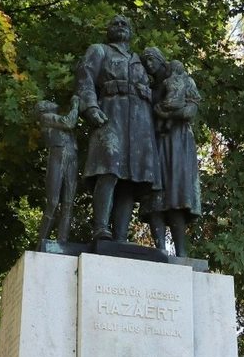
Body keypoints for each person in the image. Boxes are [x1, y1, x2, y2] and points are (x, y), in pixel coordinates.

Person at [75, 14, 160, 242]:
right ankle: (100, 227)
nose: (120, 26)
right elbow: (85, 79)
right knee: (108, 170)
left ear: (131, 32)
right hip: (112, 114)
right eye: (116, 23)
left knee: (130, 181)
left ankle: (121, 237)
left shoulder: (139, 60)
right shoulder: (99, 51)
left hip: (140, 122)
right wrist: (91, 107)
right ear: (108, 30)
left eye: (125, 23)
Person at [145, 53, 202, 257]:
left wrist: (166, 115)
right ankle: (159, 251)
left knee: (177, 194)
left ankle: (181, 253)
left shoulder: (185, 80)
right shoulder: (149, 89)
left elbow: (189, 112)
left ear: (162, 61)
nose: (149, 65)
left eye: (152, 60)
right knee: (155, 197)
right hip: (153, 142)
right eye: (146, 62)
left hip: (179, 142)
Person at [34, 95, 80, 244]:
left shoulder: (55, 117)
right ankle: (42, 241)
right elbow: (69, 122)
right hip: (58, 156)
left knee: (68, 203)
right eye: (46, 102)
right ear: (43, 109)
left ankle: (62, 241)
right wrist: (75, 105)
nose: (51, 102)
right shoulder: (46, 117)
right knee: (53, 202)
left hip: (71, 156)